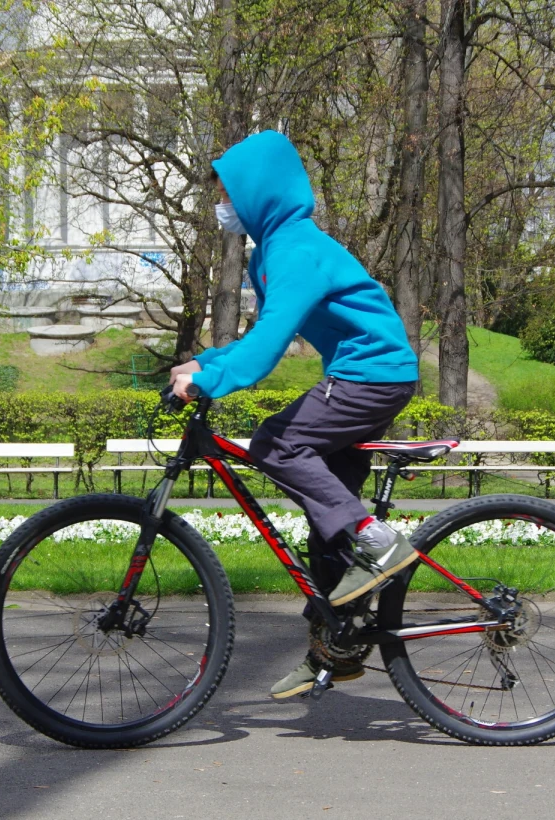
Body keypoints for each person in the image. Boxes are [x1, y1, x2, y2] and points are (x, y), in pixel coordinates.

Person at [169, 130, 420, 699]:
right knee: (325, 521)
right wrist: (204, 362)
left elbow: (267, 349)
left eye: (228, 192)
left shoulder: (295, 251)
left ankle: (379, 540)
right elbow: (261, 336)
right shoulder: (273, 253)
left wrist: (209, 381)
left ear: (258, 191)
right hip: (368, 375)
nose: (222, 204)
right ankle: (337, 647)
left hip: (371, 376)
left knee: (275, 444)